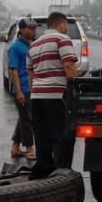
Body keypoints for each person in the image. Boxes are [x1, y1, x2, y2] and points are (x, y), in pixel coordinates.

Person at [27, 12, 80, 177]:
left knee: (42, 135)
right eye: (66, 26)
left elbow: (30, 73)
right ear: (62, 25)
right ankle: (61, 171)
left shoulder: (34, 45)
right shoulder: (62, 40)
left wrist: (35, 90)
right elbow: (69, 66)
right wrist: (75, 91)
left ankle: (44, 167)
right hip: (57, 96)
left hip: (37, 96)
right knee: (62, 134)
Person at [8, 18, 37, 160]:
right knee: (27, 119)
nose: (33, 31)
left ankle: (15, 146)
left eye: (34, 29)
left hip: (31, 87)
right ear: (22, 30)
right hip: (22, 88)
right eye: (30, 29)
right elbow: (13, 71)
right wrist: (18, 91)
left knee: (24, 117)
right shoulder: (15, 47)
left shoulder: (31, 46)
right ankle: (29, 148)